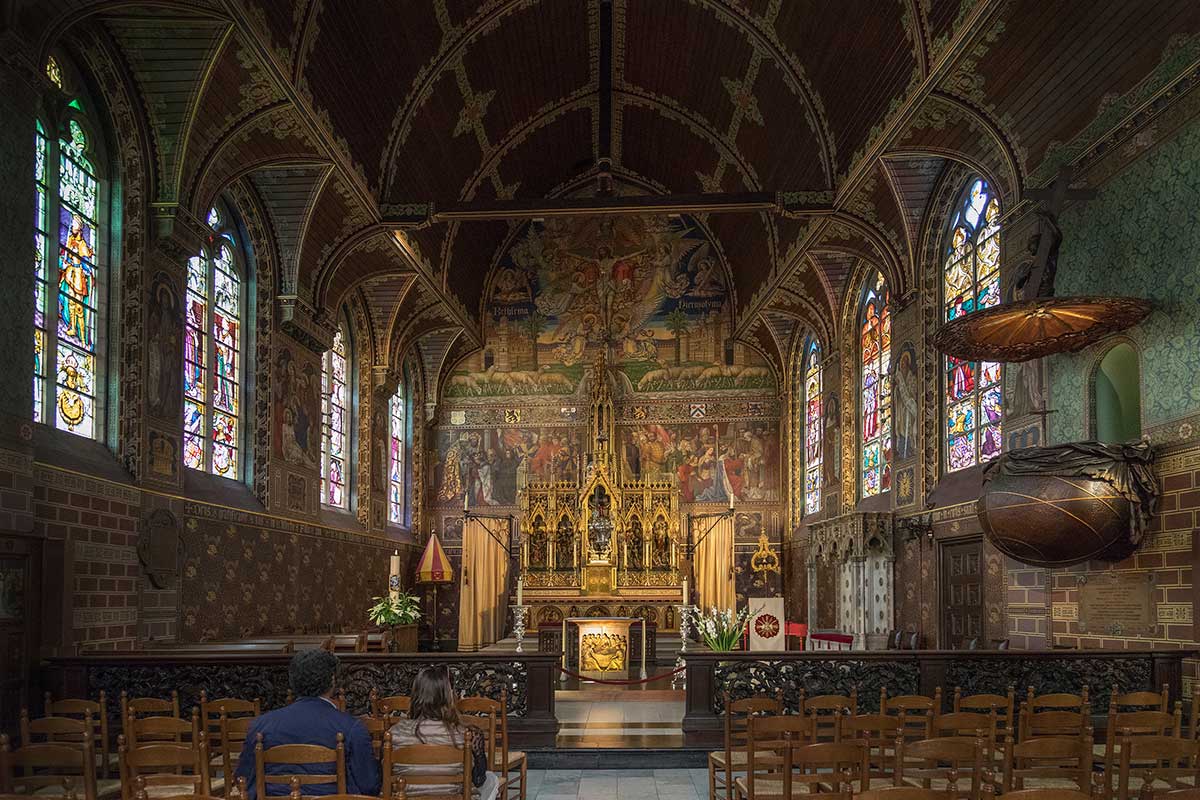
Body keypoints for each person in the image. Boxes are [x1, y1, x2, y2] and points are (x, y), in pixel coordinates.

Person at [235, 650, 379, 798]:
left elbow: (243, 779)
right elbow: (368, 785)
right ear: (332, 680)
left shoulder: (260, 725)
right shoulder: (352, 727)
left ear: (292, 681)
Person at [388, 666, 497, 800]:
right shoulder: (467, 735)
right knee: (492, 780)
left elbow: (384, 777)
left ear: (415, 694)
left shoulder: (394, 733)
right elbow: (479, 780)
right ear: (449, 696)